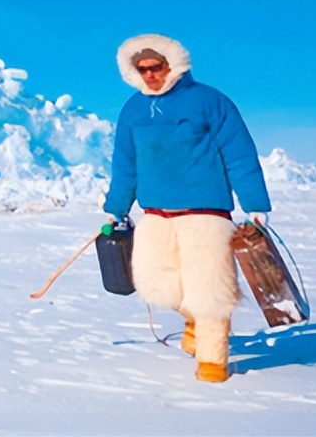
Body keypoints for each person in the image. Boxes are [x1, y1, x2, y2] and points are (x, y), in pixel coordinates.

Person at [103, 33, 271, 383]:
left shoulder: (209, 101)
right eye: (142, 69)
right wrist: (116, 207)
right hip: (156, 216)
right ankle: (193, 321)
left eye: (156, 66)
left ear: (173, 64)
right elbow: (125, 164)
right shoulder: (132, 110)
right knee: (159, 286)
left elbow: (239, 154)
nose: (150, 74)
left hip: (206, 216)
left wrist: (254, 204)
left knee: (210, 292)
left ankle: (213, 362)